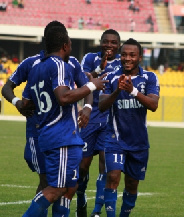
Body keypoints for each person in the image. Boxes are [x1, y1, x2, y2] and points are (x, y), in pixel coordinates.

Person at [2, 20, 93, 217]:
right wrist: (18, 102)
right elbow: (7, 87)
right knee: (50, 184)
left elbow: (84, 85)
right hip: (40, 131)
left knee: (67, 187)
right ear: (63, 42)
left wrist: (87, 107)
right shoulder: (32, 63)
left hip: (64, 131)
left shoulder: (72, 63)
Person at [21, 25, 107, 217]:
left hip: (51, 134)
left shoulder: (36, 69)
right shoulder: (59, 64)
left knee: (68, 189)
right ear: (66, 46)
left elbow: (26, 102)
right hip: (61, 137)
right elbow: (64, 97)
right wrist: (93, 85)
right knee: (56, 190)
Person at [98, 38, 160, 217]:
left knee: (132, 185)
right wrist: (118, 90)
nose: (127, 58)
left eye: (132, 55)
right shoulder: (111, 76)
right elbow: (102, 105)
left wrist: (133, 90)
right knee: (112, 178)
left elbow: (153, 105)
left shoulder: (149, 77)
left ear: (139, 57)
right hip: (115, 138)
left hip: (139, 142)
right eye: (124, 54)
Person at [76, 29, 122, 217]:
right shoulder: (89, 58)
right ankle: (80, 195)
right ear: (100, 42)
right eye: (106, 42)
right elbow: (81, 80)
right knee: (83, 166)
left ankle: (96, 211)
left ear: (118, 45)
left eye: (113, 42)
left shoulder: (122, 61)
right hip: (90, 116)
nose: (109, 45)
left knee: (105, 162)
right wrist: (98, 69)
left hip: (110, 119)